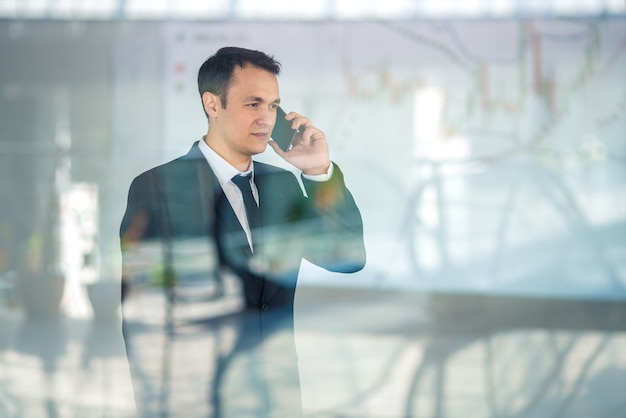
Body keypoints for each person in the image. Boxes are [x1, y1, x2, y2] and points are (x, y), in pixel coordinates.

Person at [119, 46, 366, 417]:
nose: (266, 118)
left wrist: (318, 172)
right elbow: (143, 314)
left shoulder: (281, 184)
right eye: (253, 104)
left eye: (272, 105)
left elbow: (347, 258)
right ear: (212, 104)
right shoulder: (158, 187)